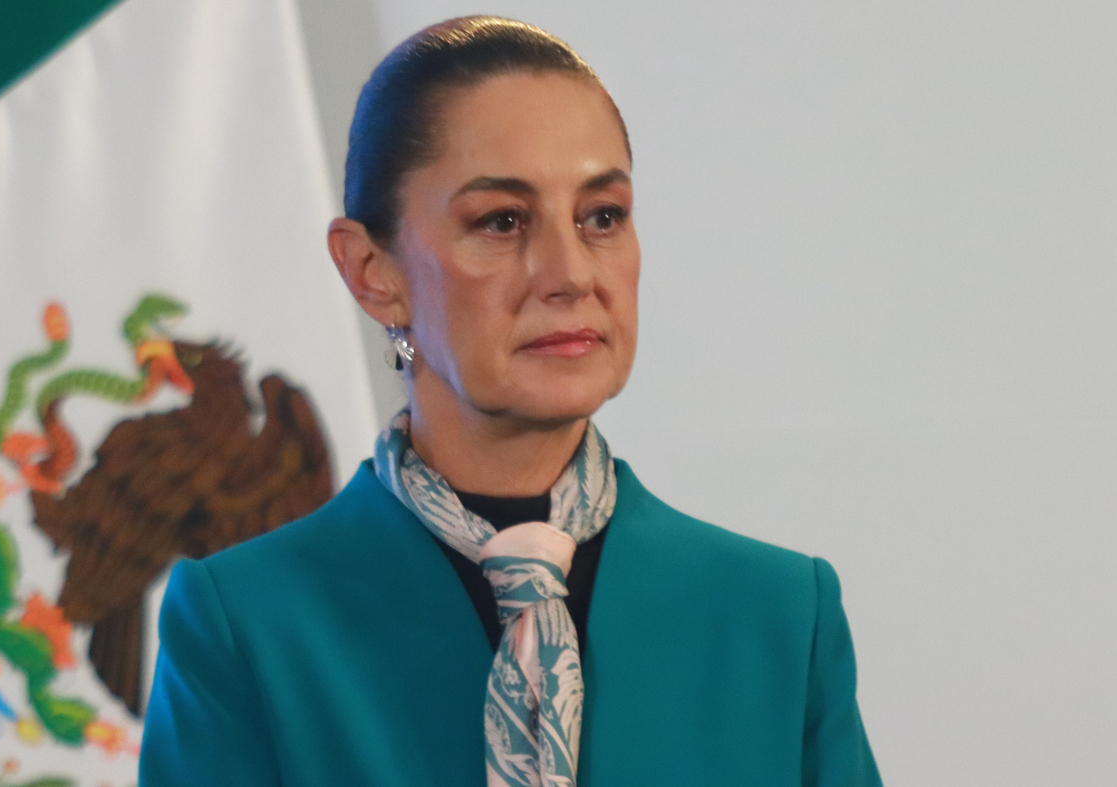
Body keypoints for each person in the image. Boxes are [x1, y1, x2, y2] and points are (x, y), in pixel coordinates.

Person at [139, 16, 881, 787]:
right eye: (502, 220)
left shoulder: (777, 616)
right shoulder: (248, 626)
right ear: (370, 271)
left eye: (602, 216)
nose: (571, 274)